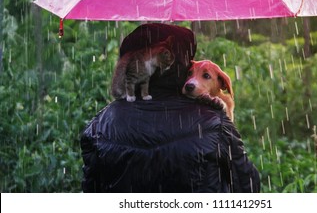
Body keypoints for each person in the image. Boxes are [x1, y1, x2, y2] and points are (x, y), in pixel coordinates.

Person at [80, 23, 260, 193]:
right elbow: (248, 187)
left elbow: (91, 191)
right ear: (182, 64)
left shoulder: (100, 124)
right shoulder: (214, 122)